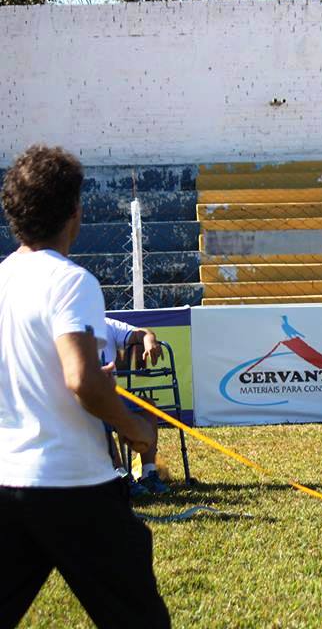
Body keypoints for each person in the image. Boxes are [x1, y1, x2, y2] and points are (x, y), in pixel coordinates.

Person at [0, 145, 170, 628]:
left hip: (7, 481)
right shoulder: (71, 281)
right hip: (74, 484)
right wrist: (136, 428)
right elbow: (82, 380)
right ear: (75, 211)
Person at [103, 317, 170, 496]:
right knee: (97, 414)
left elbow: (143, 333)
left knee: (147, 407)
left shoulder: (107, 324)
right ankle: (120, 476)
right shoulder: (64, 325)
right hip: (83, 397)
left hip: (113, 394)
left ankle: (148, 473)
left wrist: (149, 340)